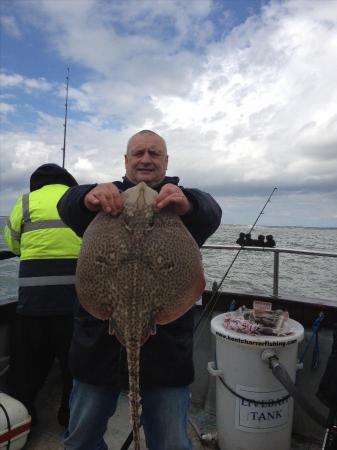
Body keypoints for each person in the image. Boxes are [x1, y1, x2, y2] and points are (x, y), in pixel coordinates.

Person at [57, 129, 222, 450]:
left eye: (154, 153)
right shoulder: (105, 200)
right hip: (97, 349)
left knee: (171, 442)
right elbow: (68, 205)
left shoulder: (180, 202)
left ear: (165, 161)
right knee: (81, 440)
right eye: (139, 153)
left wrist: (188, 204)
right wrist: (87, 195)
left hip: (166, 354)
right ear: (126, 160)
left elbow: (210, 212)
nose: (146, 159)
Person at [4, 163, 82, 427]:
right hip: (76, 302)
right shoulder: (80, 204)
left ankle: (24, 419)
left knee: (27, 367)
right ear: (69, 182)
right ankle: (69, 416)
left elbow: (14, 244)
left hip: (33, 304)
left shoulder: (25, 202)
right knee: (74, 367)